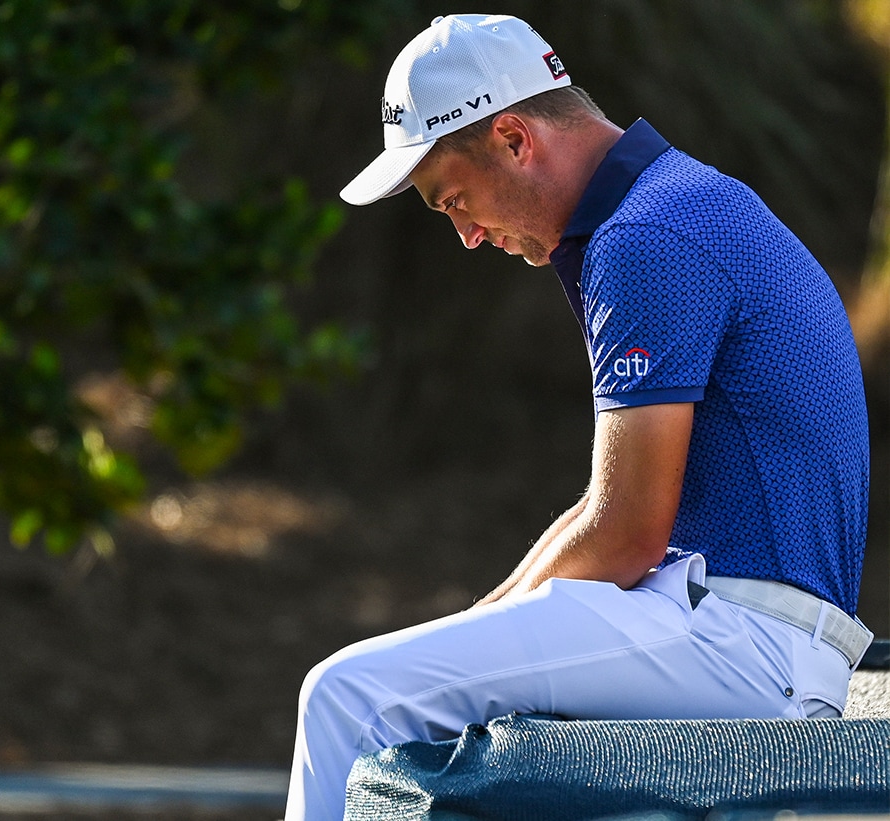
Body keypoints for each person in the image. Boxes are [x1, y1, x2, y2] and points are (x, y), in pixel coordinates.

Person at [284, 13, 875, 820]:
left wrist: (463, 643)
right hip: (746, 631)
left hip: (744, 644)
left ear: (514, 139)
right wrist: (470, 638)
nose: (463, 234)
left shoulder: (648, 236)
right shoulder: (678, 204)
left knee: (346, 694)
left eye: (452, 198)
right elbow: (612, 521)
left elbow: (626, 531)